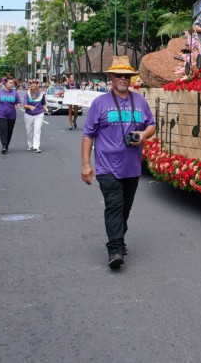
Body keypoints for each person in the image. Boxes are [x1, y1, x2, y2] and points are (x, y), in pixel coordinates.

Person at [80, 57, 156, 270]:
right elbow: (88, 135)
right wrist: (86, 165)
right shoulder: (100, 103)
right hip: (107, 167)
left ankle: (119, 237)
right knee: (114, 205)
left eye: (127, 75)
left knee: (125, 208)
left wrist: (143, 134)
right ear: (111, 77)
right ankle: (115, 249)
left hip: (132, 167)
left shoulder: (139, 101)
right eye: (119, 75)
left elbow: (152, 125)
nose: (123, 79)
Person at [22, 78, 46, 153]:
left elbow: (43, 103)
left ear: (37, 85)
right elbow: (24, 105)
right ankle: (30, 145)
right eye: (31, 84)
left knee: (37, 130)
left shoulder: (41, 94)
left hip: (39, 114)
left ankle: (36, 147)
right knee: (29, 131)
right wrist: (29, 107)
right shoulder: (27, 94)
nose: (32, 85)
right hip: (28, 114)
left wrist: (47, 109)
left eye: (34, 83)